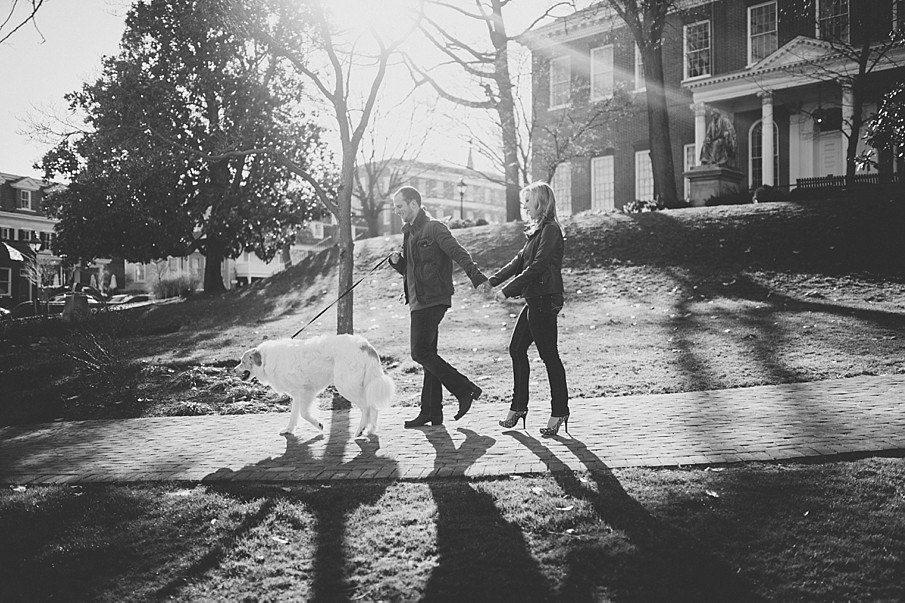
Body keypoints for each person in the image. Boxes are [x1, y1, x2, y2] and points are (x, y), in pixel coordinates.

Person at [388, 185, 491, 427]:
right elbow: (411, 270)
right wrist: (397, 263)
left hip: (433, 300)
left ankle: (465, 390)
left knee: (419, 353)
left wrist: (477, 278)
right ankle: (431, 411)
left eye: (400, 206)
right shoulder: (409, 233)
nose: (397, 211)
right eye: (395, 208)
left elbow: (458, 252)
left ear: (414, 204)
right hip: (418, 301)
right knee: (428, 355)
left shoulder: (434, 228)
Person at [486, 181, 569, 437]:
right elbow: (518, 262)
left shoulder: (551, 231)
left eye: (527, 202)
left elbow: (538, 267)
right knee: (516, 349)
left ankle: (559, 410)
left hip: (544, 299)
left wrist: (507, 291)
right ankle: (519, 407)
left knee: (549, 357)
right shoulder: (538, 231)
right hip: (536, 299)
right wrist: (492, 280)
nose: (524, 207)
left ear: (540, 203)